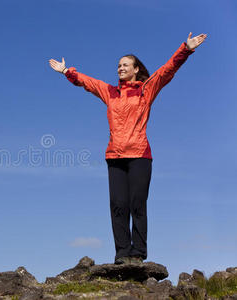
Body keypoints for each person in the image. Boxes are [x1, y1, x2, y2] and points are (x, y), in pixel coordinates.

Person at [48, 32, 207, 265]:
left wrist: (186, 48)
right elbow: (88, 83)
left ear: (135, 69)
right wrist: (66, 72)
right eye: (118, 65)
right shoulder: (110, 92)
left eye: (125, 65)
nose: (120, 68)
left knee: (137, 203)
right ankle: (122, 253)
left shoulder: (146, 90)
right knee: (118, 205)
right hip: (115, 156)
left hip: (140, 155)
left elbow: (167, 70)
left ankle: (138, 252)